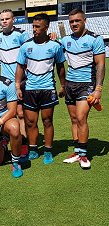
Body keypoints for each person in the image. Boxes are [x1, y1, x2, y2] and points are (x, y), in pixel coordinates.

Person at [15, 13, 66, 164]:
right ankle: (33, 150)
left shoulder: (55, 46)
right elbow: (20, 67)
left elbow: (60, 67)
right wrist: (17, 85)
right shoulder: (26, 46)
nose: (34, 29)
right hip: (30, 89)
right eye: (33, 26)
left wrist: (63, 85)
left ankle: (48, 151)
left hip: (48, 89)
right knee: (30, 122)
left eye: (38, 27)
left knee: (47, 121)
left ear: (46, 27)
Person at [61, 9, 105, 169]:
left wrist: (98, 88)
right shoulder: (66, 40)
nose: (74, 24)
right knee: (73, 120)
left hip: (87, 84)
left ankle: (84, 154)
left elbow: (101, 64)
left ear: (84, 20)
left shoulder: (95, 39)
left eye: (77, 21)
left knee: (81, 118)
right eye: (71, 21)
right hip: (70, 84)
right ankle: (77, 151)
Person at [0, 9, 30, 155]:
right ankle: (8, 138)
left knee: (20, 113)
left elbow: (29, 53)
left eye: (7, 19)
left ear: (13, 20)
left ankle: (23, 142)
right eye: (2, 19)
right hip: (5, 83)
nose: (4, 21)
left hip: (21, 80)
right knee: (7, 112)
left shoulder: (21, 34)